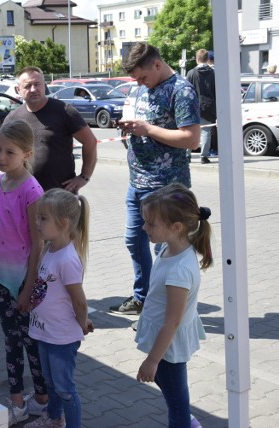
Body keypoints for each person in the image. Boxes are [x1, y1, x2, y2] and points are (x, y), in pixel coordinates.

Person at [113, 42, 200, 316]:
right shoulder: (143, 88)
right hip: (137, 183)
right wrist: (130, 127)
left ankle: (161, 310)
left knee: (164, 250)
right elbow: (144, 123)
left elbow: (192, 139)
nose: (140, 83)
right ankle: (143, 298)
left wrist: (148, 129)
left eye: (142, 77)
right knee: (133, 240)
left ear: (157, 64)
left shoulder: (181, 90)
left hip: (165, 187)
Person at [0, 120, 48, 426]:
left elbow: (38, 242)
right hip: (3, 279)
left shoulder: (31, 191)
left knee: (32, 343)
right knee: (10, 342)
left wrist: (29, 287)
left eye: (10, 152)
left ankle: (43, 400)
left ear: (27, 153)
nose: (1, 157)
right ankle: (17, 402)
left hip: (24, 281)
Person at [135, 183, 212, 428]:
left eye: (150, 223)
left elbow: (173, 320)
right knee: (171, 388)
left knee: (177, 402)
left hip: (168, 344)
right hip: (165, 339)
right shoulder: (168, 247)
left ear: (176, 227)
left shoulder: (180, 270)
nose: (144, 227)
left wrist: (152, 360)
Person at [26, 188, 95, 428]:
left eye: (43, 218)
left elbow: (80, 301)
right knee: (50, 382)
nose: (37, 222)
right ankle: (54, 418)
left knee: (65, 388)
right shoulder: (49, 249)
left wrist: (82, 322)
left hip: (62, 338)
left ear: (63, 223)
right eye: (38, 217)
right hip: (45, 332)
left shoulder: (67, 259)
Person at [3, 66, 97, 193]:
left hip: (59, 195)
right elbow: (3, 151)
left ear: (44, 86)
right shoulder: (12, 118)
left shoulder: (64, 111)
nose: (33, 89)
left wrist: (84, 177)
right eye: (27, 86)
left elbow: (90, 142)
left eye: (37, 84)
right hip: (23, 193)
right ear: (18, 90)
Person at [186, 49, 217, 164]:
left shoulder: (191, 73)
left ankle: (187, 155)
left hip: (193, 106)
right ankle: (204, 156)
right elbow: (216, 91)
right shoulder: (213, 73)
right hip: (208, 106)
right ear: (207, 59)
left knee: (190, 131)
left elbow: (186, 91)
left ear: (197, 59)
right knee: (206, 131)